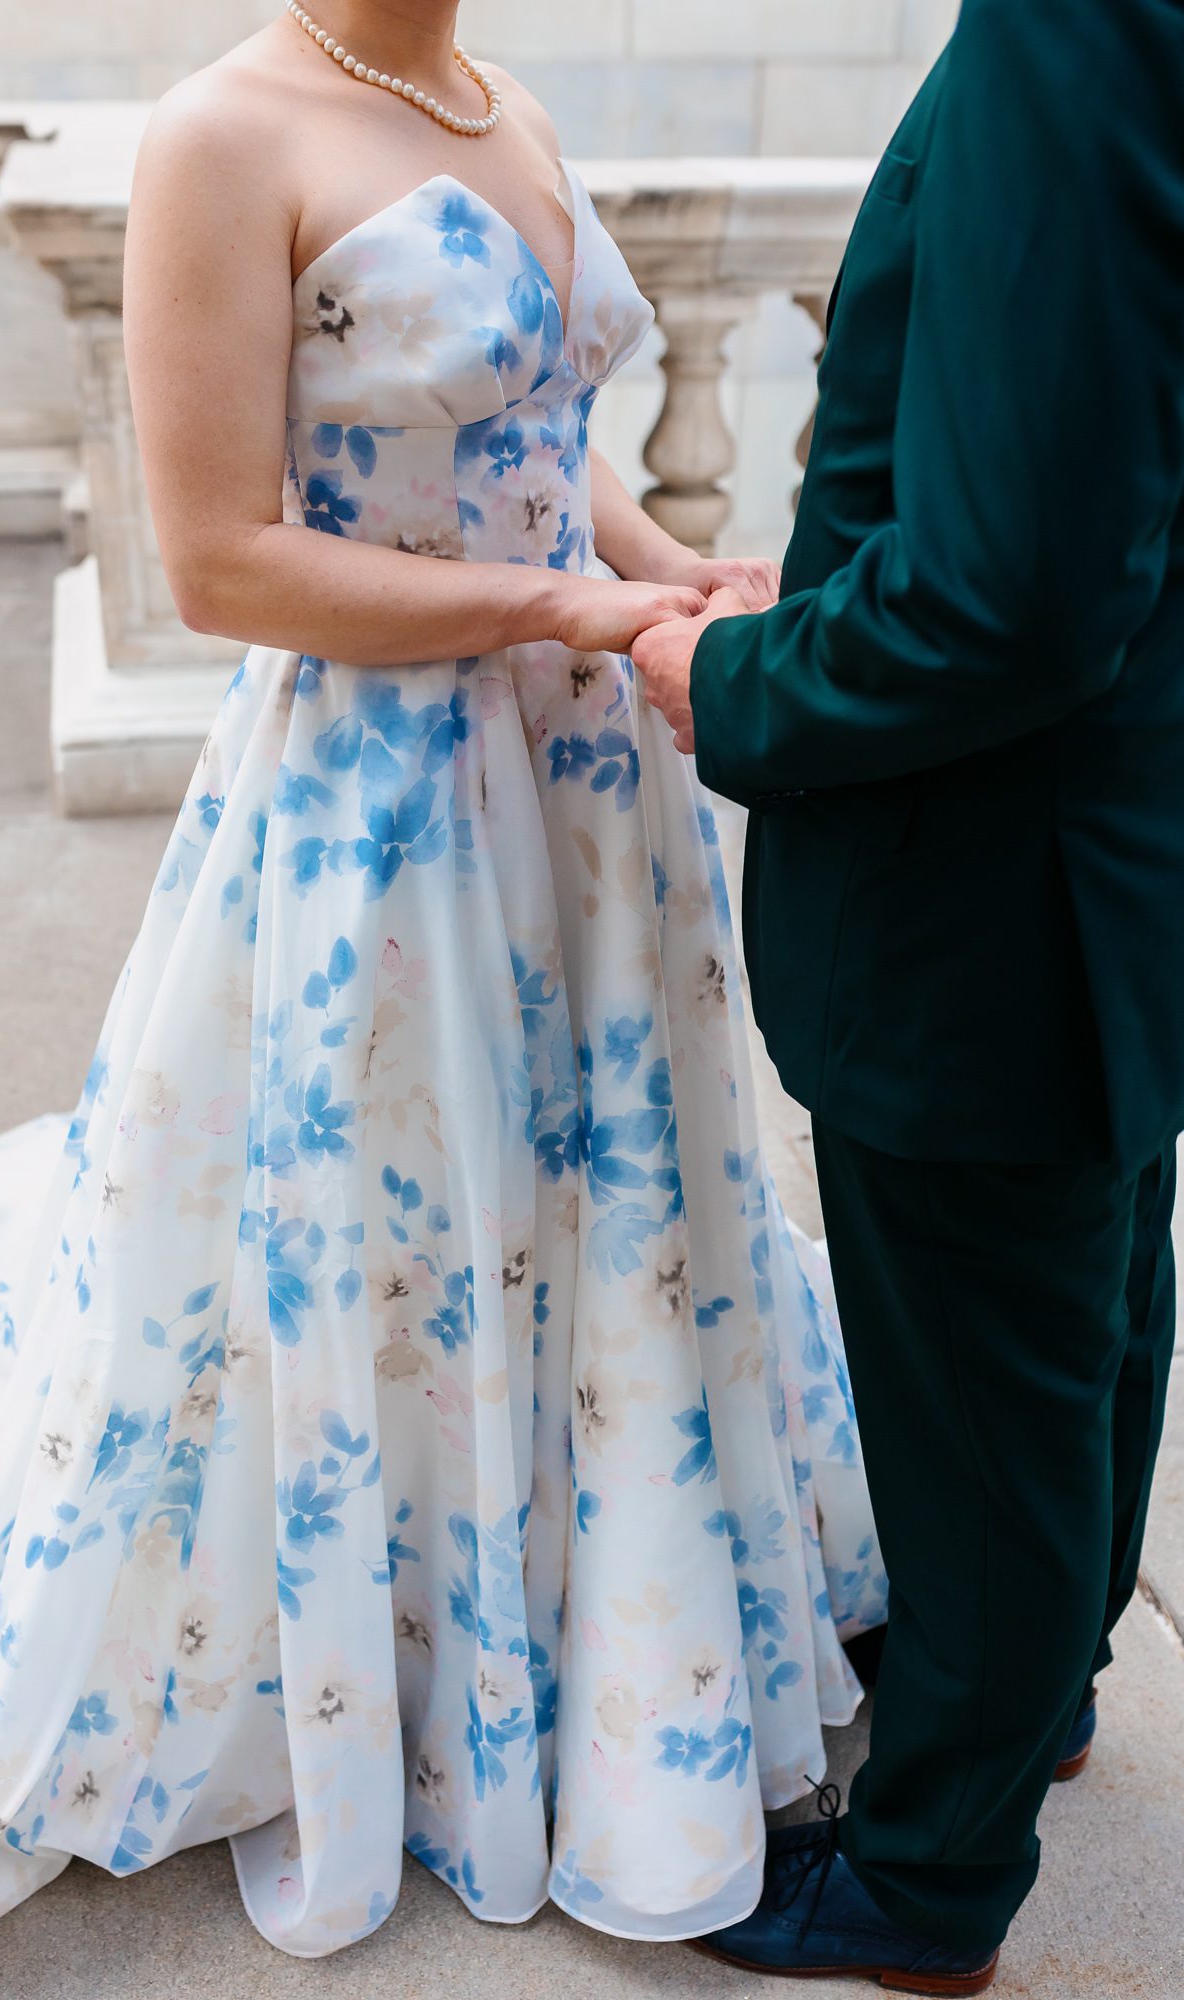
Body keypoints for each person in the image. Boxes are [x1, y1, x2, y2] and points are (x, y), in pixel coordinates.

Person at [0, 5, 887, 1990]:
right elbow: (222, 561)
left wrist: (672, 579)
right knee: (405, 1235)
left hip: (580, 798)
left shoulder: (507, 105)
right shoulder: (223, 134)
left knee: (596, 1211)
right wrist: (553, 613)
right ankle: (409, 1657)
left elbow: (544, 457)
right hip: (379, 814)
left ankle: (597, 1607)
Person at [634, 1, 1184, 1992]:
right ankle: (1035, 1694)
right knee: (1097, 1294)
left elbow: (1005, 588)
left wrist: (747, 686)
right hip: (1121, 831)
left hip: (992, 875)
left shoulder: (1079, 19)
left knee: (990, 1373)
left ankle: (927, 1875)